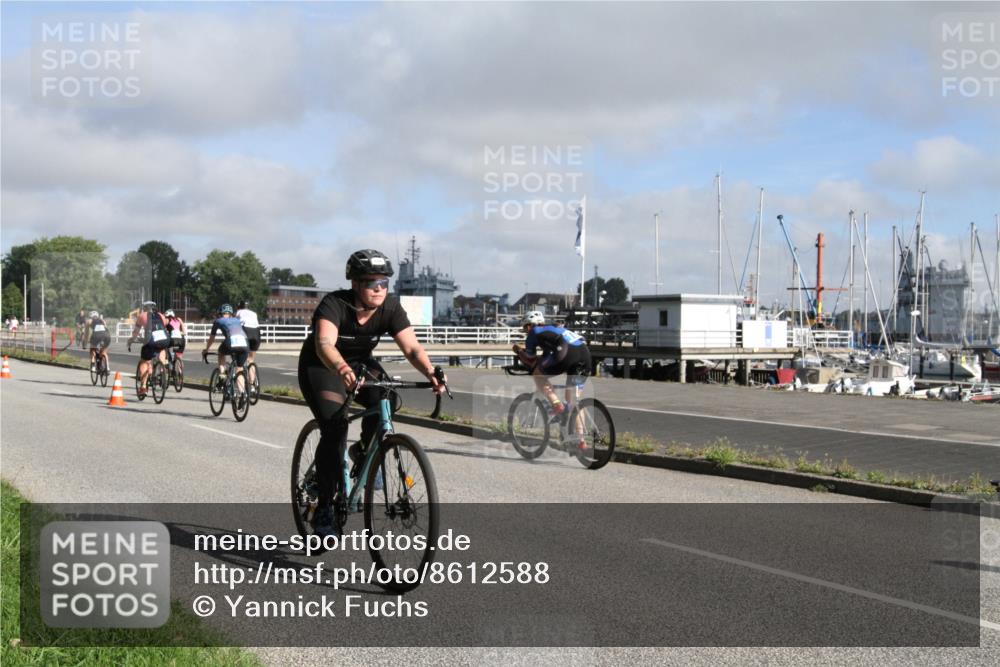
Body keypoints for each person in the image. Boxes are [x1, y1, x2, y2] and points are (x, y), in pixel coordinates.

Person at [298, 249, 445, 537]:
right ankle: (325, 507)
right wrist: (340, 369)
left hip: (359, 364)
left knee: (387, 396)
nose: (379, 289)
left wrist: (430, 372)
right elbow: (324, 344)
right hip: (323, 366)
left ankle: (365, 451)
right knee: (335, 427)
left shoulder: (390, 308)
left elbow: (412, 348)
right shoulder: (334, 304)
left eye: (383, 283)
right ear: (355, 284)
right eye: (371, 283)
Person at [512, 311, 592, 444]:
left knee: (537, 374)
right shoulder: (554, 329)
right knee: (573, 401)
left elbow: (530, 358)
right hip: (585, 355)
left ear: (528, 326)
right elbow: (548, 355)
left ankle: (556, 405)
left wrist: (519, 351)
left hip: (566, 353)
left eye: (525, 328)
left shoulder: (534, 332)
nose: (526, 331)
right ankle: (581, 441)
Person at [202, 304, 249, 399]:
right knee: (239, 369)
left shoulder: (218, 321)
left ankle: (222, 377)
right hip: (245, 343)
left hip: (231, 342)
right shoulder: (237, 320)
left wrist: (206, 350)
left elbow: (212, 338)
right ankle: (243, 393)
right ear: (231, 314)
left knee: (221, 353)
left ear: (220, 313)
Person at [127, 302, 170, 396]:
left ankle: (143, 386)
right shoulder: (161, 316)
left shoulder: (142, 316)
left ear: (145, 308)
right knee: (162, 349)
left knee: (144, 361)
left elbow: (136, 332)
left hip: (151, 341)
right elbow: (166, 324)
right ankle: (161, 369)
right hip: (164, 340)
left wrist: (130, 341)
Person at [236, 300, 260, 388]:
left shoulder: (238, 312)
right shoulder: (254, 313)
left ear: (239, 307)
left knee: (240, 362)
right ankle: (252, 384)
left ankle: (241, 384)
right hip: (256, 333)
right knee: (251, 359)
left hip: (245, 331)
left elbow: (234, 325)